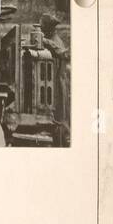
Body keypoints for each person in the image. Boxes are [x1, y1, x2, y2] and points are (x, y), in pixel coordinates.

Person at [39, 13, 70, 142]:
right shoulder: (51, 39)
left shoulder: (55, 41)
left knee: (60, 115)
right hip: (56, 81)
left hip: (59, 82)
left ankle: (63, 141)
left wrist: (44, 41)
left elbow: (62, 53)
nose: (40, 28)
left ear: (48, 27)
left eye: (42, 25)